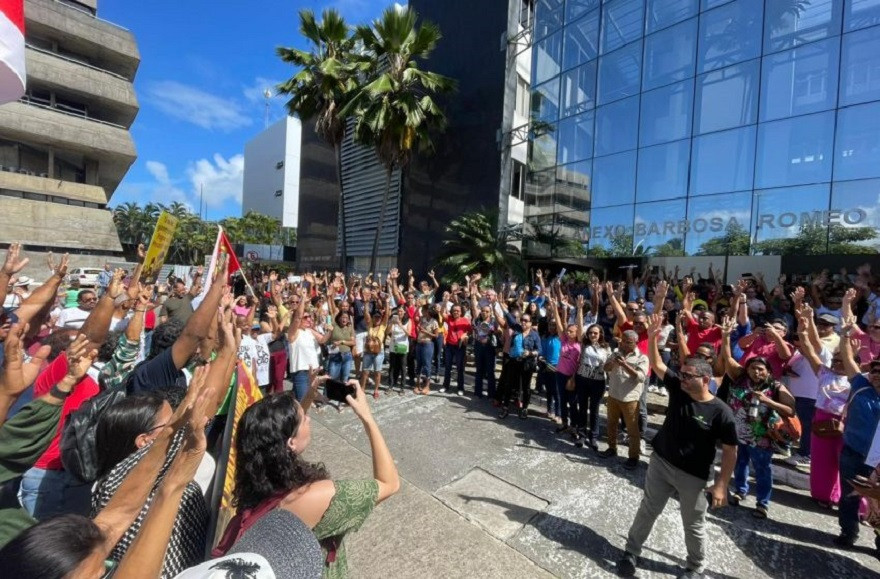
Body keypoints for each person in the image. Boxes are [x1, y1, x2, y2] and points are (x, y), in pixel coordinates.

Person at [214, 378, 400, 578]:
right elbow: (389, 484)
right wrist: (367, 418)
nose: (309, 419)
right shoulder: (314, 496)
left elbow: (281, 433)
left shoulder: (258, 477)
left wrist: (309, 397)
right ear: (290, 443)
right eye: (304, 418)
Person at [617, 313, 737, 578]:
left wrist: (721, 485)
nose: (681, 378)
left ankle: (695, 566)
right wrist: (651, 335)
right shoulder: (679, 389)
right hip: (661, 463)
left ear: (705, 380)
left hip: (693, 476)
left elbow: (730, 450)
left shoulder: (722, 412)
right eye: (681, 373)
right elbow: (658, 364)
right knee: (648, 509)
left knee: (693, 525)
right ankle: (631, 551)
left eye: (688, 375)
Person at [721, 317, 796, 519]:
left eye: (760, 369)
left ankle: (762, 503)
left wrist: (768, 402)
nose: (756, 372)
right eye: (753, 368)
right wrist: (726, 336)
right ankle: (740, 491)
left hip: (762, 436)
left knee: (763, 469)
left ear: (769, 371)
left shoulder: (776, 387)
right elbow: (728, 358)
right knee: (740, 463)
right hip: (738, 432)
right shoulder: (740, 377)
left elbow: (790, 411)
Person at [793, 308, 849, 508]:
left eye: (842, 361)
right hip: (821, 420)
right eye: (835, 360)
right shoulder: (824, 372)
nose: (837, 363)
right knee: (822, 462)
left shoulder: (858, 379)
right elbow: (808, 349)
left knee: (844, 464)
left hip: (845, 424)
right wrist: (803, 328)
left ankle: (848, 501)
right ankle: (823, 496)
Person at [834, 317, 880, 549]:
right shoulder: (860, 383)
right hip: (853, 452)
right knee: (850, 495)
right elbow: (848, 357)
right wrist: (844, 334)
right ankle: (848, 532)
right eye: (874, 370)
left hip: (878, 461)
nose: (877, 375)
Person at [598, 330, 649, 469]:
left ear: (635, 343)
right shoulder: (616, 353)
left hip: (630, 399)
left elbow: (640, 377)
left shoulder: (642, 358)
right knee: (611, 424)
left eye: (629, 342)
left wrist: (624, 365)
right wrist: (613, 362)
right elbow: (605, 368)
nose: (625, 345)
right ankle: (611, 448)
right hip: (614, 395)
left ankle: (633, 457)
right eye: (623, 341)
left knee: (632, 430)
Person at [496, 302, 540, 419]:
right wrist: (499, 303)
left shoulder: (534, 335)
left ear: (531, 323)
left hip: (527, 364)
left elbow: (539, 350)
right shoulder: (517, 328)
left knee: (525, 387)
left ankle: (524, 408)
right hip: (514, 362)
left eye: (526, 320)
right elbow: (508, 316)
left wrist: (530, 353)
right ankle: (505, 407)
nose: (523, 322)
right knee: (509, 385)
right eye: (522, 320)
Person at [548, 296, 583, 441]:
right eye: (568, 331)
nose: (568, 333)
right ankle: (564, 423)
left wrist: (579, 309)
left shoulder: (579, 343)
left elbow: (580, 326)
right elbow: (558, 323)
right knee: (561, 400)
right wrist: (555, 307)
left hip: (572, 377)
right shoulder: (563, 340)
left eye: (572, 331)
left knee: (573, 403)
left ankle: (575, 427)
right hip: (560, 374)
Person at [573, 323, 610, 451]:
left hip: (598, 381)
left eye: (595, 333)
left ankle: (593, 436)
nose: (592, 335)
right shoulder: (583, 344)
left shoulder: (606, 348)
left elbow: (608, 365)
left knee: (594, 409)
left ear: (600, 335)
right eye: (590, 333)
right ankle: (581, 434)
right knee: (582, 407)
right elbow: (579, 326)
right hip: (583, 379)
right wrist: (579, 309)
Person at [469, 291, 499, 399]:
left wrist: (492, 333)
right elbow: (474, 333)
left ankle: (492, 394)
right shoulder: (477, 320)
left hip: (490, 348)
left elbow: (498, 333)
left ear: (490, 312)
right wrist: (479, 338)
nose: (484, 313)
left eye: (486, 311)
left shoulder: (494, 321)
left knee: (490, 371)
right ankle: (478, 392)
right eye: (483, 311)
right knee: (479, 370)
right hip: (478, 347)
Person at [441, 303, 471, 396]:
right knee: (448, 367)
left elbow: (470, 331)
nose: (456, 312)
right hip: (449, 346)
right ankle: (445, 386)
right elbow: (442, 313)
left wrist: (465, 335)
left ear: (461, 311)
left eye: (458, 310)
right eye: (454, 310)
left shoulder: (465, 320)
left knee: (460, 368)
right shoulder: (449, 318)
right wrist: (445, 301)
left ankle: (460, 388)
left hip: (460, 347)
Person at [362, 299, 390, 399]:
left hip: (379, 352)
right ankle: (362, 389)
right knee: (365, 371)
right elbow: (366, 314)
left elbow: (387, 315)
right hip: (368, 352)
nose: (377, 319)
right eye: (375, 317)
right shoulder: (370, 325)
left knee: (377, 372)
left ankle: (376, 390)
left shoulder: (383, 326)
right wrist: (366, 303)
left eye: (379, 317)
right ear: (373, 318)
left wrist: (386, 302)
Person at [414, 305, 439, 394]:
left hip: (428, 344)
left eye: (424, 310)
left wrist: (426, 332)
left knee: (427, 365)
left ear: (428, 311)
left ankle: (427, 386)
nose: (422, 312)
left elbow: (436, 335)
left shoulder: (434, 322)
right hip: (419, 343)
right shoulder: (422, 319)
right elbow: (416, 320)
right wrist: (418, 329)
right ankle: (417, 385)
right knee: (419, 364)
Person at [387, 308, 411, 394]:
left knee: (402, 367)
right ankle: (391, 385)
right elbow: (387, 332)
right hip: (393, 346)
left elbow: (409, 334)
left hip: (403, 346)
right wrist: (391, 324)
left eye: (401, 311)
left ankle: (402, 387)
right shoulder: (392, 321)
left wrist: (400, 325)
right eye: (398, 311)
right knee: (392, 367)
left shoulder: (408, 321)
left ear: (404, 312)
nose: (399, 313)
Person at [327, 310, 355, 384]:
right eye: (343, 317)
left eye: (346, 317)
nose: (344, 319)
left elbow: (353, 342)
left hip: (347, 356)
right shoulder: (333, 326)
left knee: (345, 380)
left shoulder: (350, 328)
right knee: (332, 379)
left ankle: (342, 395)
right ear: (339, 318)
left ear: (349, 319)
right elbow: (332, 311)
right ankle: (327, 395)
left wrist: (342, 342)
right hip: (335, 355)